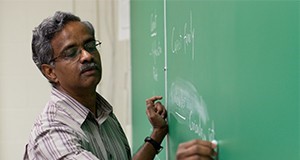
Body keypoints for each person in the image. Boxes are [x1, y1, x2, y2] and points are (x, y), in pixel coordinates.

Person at [24, 11, 216, 160]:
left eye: (90, 46)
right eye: (71, 52)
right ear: (50, 72)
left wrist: (157, 134)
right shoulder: (52, 133)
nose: (87, 56)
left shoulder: (101, 113)